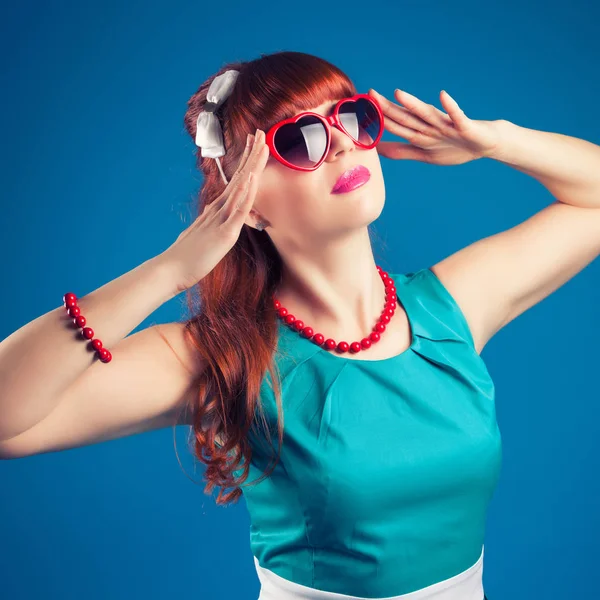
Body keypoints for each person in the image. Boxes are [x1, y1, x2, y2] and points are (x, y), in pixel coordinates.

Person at [3, 49, 595, 600]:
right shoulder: (223, 355)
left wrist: (494, 141)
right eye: (303, 139)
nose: (342, 146)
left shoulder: (450, 307)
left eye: (352, 118)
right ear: (249, 204)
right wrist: (168, 272)